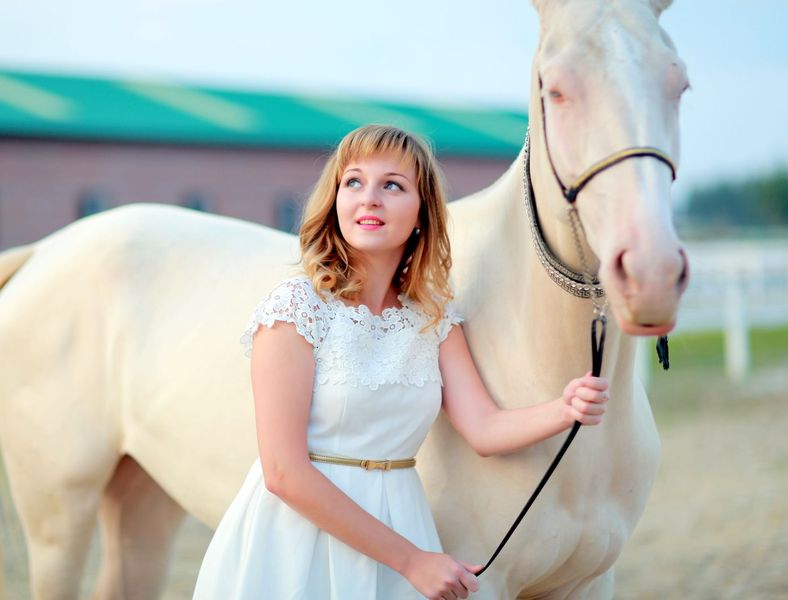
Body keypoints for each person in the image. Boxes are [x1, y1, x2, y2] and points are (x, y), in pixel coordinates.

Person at [192, 124, 609, 600]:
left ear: (421, 213)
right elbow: (283, 473)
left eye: (392, 184)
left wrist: (566, 407)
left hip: (400, 527)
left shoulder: (433, 320)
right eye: (353, 182)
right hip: (296, 543)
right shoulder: (295, 309)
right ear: (334, 202)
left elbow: (485, 429)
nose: (369, 198)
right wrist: (413, 561)